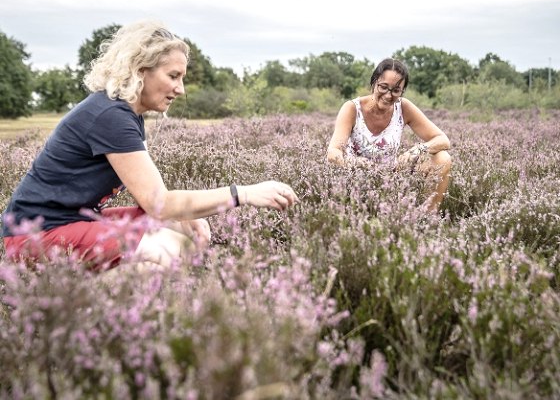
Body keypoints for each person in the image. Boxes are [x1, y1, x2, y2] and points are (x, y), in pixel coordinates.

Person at [2, 20, 298, 270]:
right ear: (141, 69)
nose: (180, 90)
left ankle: (109, 297)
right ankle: (94, 316)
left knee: (182, 227)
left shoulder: (127, 114)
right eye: (173, 76)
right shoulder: (110, 115)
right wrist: (243, 193)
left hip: (68, 224)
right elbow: (159, 203)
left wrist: (183, 215)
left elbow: (157, 202)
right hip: (34, 236)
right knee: (169, 247)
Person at [326, 58, 451, 211]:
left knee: (443, 158)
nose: (388, 95)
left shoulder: (403, 107)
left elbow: (443, 139)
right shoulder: (352, 108)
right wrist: (355, 163)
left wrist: (417, 150)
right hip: (355, 179)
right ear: (374, 83)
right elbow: (333, 153)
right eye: (383, 87)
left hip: (392, 178)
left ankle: (427, 217)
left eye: (396, 90)